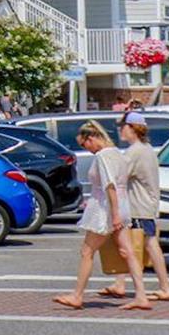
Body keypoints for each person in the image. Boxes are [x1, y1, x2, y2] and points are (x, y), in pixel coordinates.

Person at [55, 121, 151, 312]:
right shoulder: (117, 153)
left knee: (87, 251)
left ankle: (77, 295)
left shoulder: (103, 156)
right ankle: (141, 295)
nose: (85, 149)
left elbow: (110, 185)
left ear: (91, 138)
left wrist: (114, 214)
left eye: (84, 144)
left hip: (105, 208)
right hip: (123, 205)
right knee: (128, 251)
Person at [104, 111, 169, 304]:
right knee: (132, 243)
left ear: (133, 129)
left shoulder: (135, 151)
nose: (120, 130)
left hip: (140, 206)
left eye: (123, 126)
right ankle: (120, 283)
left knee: (147, 244)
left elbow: (119, 174)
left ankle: (165, 287)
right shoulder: (146, 148)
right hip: (144, 205)